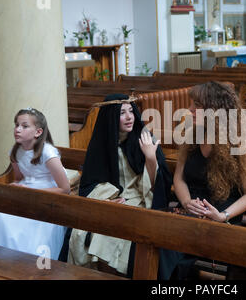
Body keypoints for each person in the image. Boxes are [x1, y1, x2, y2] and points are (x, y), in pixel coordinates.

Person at [64, 94, 175, 278]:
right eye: (122, 113)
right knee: (80, 233)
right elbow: (90, 184)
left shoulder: (144, 138)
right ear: (111, 117)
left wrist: (150, 157)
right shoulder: (102, 144)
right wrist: (107, 200)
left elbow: (158, 187)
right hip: (110, 199)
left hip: (140, 200)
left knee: (111, 232)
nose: (130, 117)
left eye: (131, 111)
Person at [172, 81, 246, 278]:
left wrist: (223, 216)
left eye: (198, 106)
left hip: (220, 219)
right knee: (155, 243)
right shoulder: (192, 136)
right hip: (189, 213)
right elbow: (179, 178)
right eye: (192, 104)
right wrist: (186, 202)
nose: (190, 110)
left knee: (171, 254)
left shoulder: (238, 143)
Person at [0, 108, 70, 260]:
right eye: (16, 125)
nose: (17, 129)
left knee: (9, 219)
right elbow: (19, 178)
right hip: (25, 191)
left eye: (24, 126)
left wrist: (30, 192)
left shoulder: (48, 153)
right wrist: (15, 187)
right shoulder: (15, 152)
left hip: (47, 195)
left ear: (38, 132)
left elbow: (65, 189)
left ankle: (15, 260)